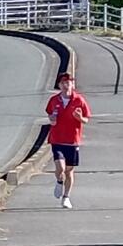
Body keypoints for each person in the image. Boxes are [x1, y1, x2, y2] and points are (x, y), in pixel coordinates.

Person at [46, 72, 91, 209]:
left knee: (69, 170)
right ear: (59, 85)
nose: (66, 85)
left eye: (69, 82)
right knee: (60, 168)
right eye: (63, 83)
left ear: (72, 84)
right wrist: (52, 120)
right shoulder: (54, 100)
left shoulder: (79, 100)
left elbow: (86, 119)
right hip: (57, 139)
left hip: (72, 140)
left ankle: (66, 197)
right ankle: (59, 181)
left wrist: (79, 118)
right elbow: (50, 114)